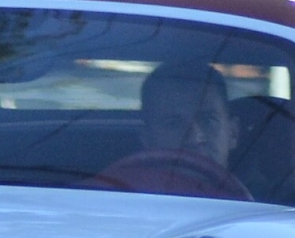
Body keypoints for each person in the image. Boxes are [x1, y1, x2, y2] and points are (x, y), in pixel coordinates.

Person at [95, 60, 252, 198]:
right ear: (146, 138)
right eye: (174, 123)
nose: (195, 138)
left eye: (208, 120)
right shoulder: (111, 194)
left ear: (233, 133)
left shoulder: (268, 202)